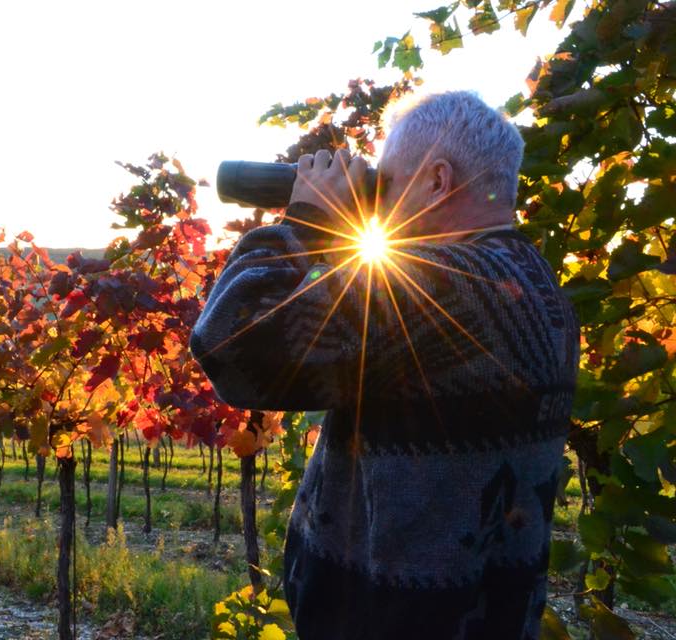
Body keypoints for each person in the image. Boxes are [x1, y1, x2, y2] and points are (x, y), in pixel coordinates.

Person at [190, 91, 580, 639]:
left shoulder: (444, 289)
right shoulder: (543, 290)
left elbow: (231, 346)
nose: (375, 203)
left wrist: (307, 221)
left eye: (386, 184)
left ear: (438, 181)